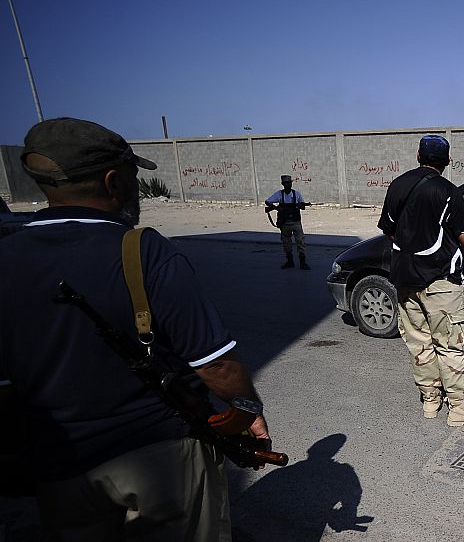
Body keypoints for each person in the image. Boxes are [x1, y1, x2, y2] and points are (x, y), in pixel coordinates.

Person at [0, 117, 270, 542]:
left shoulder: (7, 256)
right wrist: (248, 412)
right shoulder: (143, 251)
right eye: (132, 177)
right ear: (113, 182)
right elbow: (216, 366)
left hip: (60, 462)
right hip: (159, 457)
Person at [378, 135, 464, 426]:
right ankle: (459, 407)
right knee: (452, 345)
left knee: (419, 343)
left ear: (419, 155)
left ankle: (431, 401)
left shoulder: (397, 186)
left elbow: (390, 231)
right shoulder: (447, 191)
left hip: (405, 281)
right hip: (441, 282)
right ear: (446, 160)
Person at [265, 175, 310, 270]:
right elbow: (267, 201)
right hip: (284, 223)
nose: (288, 185)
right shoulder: (279, 194)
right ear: (283, 184)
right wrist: (277, 208)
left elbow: (302, 206)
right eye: (286, 183)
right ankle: (290, 261)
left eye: (289, 183)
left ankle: (303, 262)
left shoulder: (296, 194)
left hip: (296, 222)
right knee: (286, 243)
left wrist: (300, 205)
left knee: (300, 242)